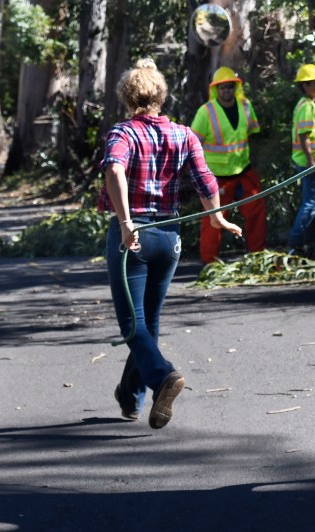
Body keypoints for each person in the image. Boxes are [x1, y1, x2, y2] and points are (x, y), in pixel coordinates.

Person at [99, 58, 242, 429]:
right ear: (160, 96)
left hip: (134, 237)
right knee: (150, 321)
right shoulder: (184, 135)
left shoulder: (123, 133)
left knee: (133, 323)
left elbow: (114, 168)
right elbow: (205, 178)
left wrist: (126, 222)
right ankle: (131, 396)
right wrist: (217, 216)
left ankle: (163, 377)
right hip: (170, 239)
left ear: (127, 98)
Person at [190, 66, 267, 265]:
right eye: (222, 88)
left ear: (235, 87)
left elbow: (252, 136)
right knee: (213, 220)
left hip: (243, 170)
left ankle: (257, 258)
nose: (226, 91)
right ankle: (210, 265)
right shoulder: (206, 112)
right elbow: (192, 144)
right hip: (217, 177)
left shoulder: (246, 106)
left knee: (256, 212)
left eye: (230, 87)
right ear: (216, 89)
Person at [287, 63, 315, 253]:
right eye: (313, 83)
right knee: (310, 203)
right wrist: (311, 161)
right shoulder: (307, 107)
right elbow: (303, 137)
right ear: (304, 86)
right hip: (308, 162)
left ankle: (305, 243)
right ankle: (295, 243)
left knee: (311, 202)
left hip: (310, 161)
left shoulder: (309, 105)